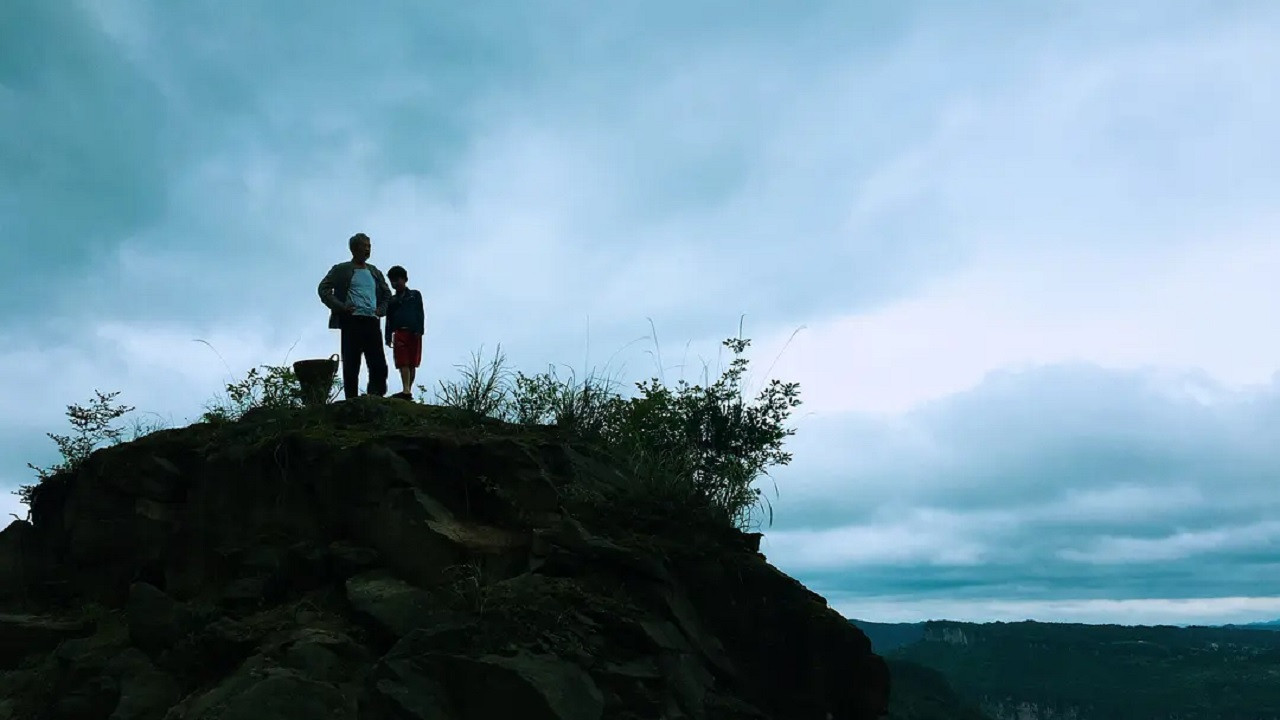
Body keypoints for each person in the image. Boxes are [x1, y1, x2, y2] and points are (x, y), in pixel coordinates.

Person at [317, 233, 391, 399]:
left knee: (378, 363)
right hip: (351, 320)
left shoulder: (374, 271)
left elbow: (387, 294)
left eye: (369, 246)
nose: (367, 249)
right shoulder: (342, 269)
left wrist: (381, 309)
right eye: (364, 246)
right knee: (351, 363)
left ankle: (375, 396)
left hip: (372, 320)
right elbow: (323, 289)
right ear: (354, 249)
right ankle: (351, 399)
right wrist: (341, 306)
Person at [384, 265, 425, 399]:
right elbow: (389, 319)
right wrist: (388, 336)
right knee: (403, 362)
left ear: (404, 279)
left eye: (397, 280)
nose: (395, 283)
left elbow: (420, 313)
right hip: (399, 332)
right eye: (392, 281)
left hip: (414, 332)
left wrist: (420, 329)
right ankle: (406, 389)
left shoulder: (415, 295)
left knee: (412, 362)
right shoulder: (392, 300)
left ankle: (408, 389)